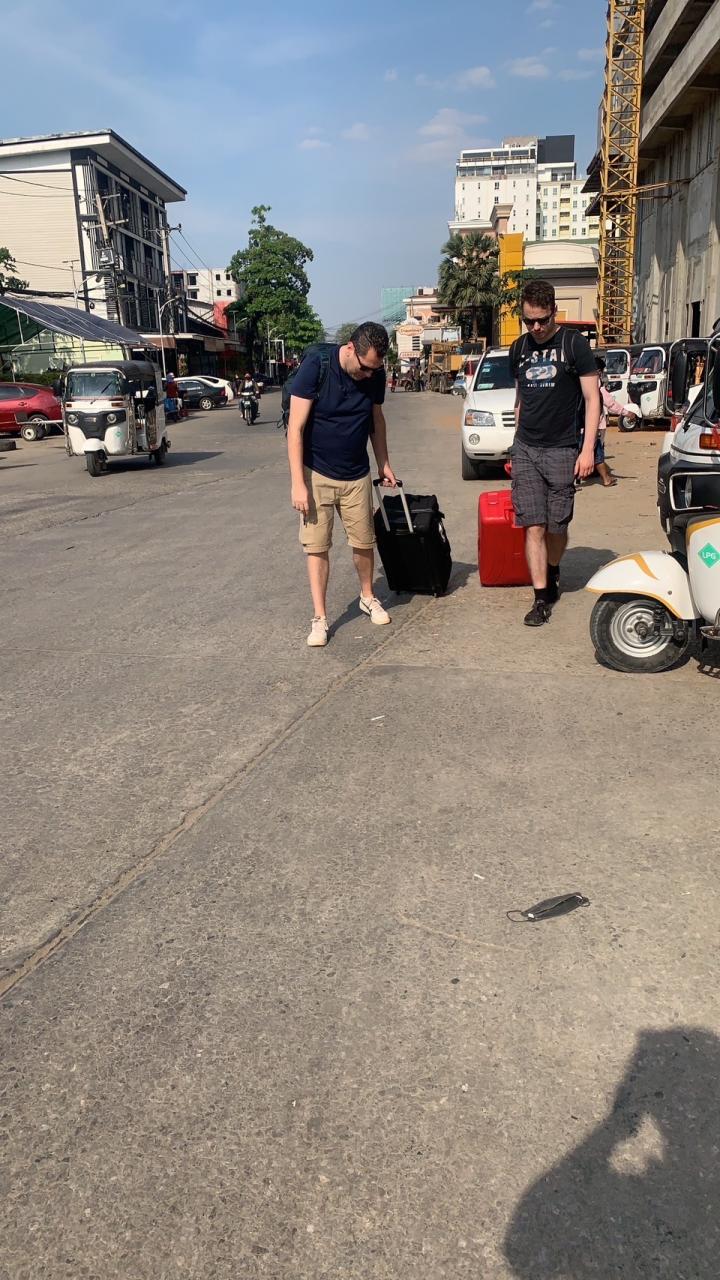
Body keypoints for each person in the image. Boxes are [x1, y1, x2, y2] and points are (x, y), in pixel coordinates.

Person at [287, 321, 396, 648]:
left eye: (375, 369)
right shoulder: (316, 367)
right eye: (365, 368)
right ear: (350, 348)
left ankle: (367, 596)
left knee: (364, 541)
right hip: (316, 473)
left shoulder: (375, 374)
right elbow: (295, 428)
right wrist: (298, 483)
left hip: (357, 473)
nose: (369, 375)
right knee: (317, 546)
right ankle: (319, 617)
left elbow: (377, 420)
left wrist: (384, 463)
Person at [509, 280, 600, 627]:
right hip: (526, 448)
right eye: (529, 321)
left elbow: (592, 399)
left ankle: (553, 566)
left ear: (554, 312)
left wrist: (587, 450)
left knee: (557, 526)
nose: (535, 327)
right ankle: (541, 597)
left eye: (542, 320)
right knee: (533, 525)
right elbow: (520, 398)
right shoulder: (519, 348)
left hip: (562, 448)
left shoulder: (574, 345)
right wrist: (515, 445)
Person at [592, 356, 639, 486]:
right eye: (602, 372)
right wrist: (628, 413)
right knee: (597, 451)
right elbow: (611, 404)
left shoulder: (580, 385)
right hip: (595, 425)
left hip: (580, 425)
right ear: (598, 371)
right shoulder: (597, 387)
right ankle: (606, 479)